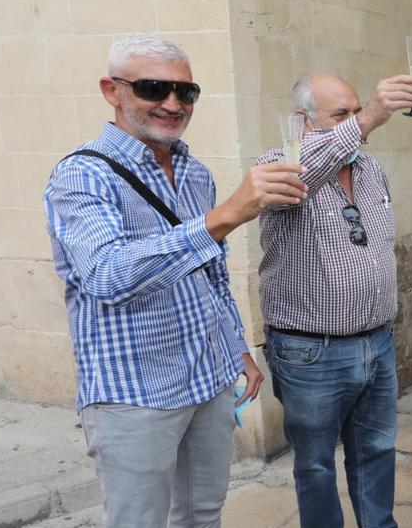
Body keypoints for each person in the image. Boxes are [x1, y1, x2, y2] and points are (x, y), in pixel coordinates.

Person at [44, 34, 303, 526]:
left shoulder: (194, 172)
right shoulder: (83, 176)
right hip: (134, 391)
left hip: (207, 378)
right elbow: (108, 274)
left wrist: (237, 350)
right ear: (111, 89)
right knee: (139, 520)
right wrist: (223, 217)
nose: (172, 103)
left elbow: (212, 277)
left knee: (203, 512)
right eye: (152, 88)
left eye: (185, 92)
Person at [257, 71, 412, 526]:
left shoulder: (371, 169)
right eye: (341, 115)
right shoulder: (281, 165)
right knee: (315, 465)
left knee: (377, 451)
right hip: (311, 352)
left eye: (356, 111)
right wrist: (371, 115)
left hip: (377, 343)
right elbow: (302, 168)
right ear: (302, 122)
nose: (355, 124)